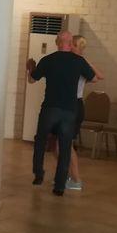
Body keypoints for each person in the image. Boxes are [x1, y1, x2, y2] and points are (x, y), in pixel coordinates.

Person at [27, 30, 99, 196]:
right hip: (69, 110)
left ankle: (38, 174)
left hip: (50, 108)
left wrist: (30, 69)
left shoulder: (48, 60)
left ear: (57, 43)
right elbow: (94, 78)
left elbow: (32, 80)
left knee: (41, 141)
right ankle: (59, 186)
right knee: (65, 147)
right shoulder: (79, 61)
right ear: (71, 43)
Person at [64, 34, 102, 191]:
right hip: (66, 104)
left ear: (77, 47)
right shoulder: (70, 61)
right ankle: (66, 175)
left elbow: (99, 76)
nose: (69, 47)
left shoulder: (81, 63)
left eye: (72, 45)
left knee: (66, 144)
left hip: (75, 104)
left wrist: (88, 63)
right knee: (58, 145)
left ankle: (76, 179)